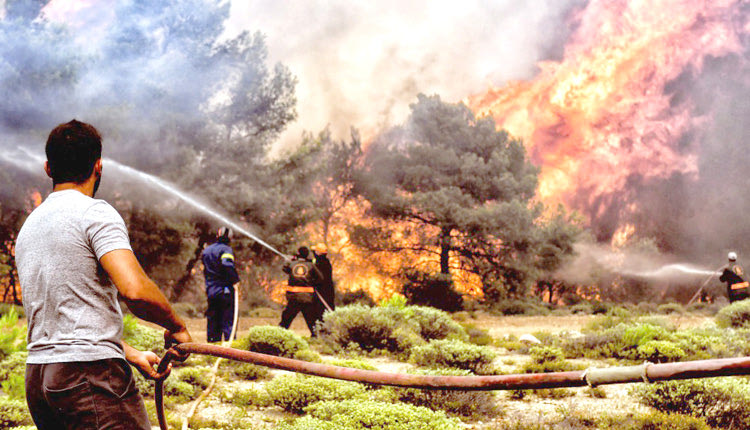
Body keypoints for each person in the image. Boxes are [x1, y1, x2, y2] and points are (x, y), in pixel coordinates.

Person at [15, 120, 192, 430]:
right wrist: (175, 325)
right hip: (88, 376)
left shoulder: (30, 227)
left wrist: (130, 353)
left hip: (40, 378)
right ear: (98, 166)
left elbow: (64, 322)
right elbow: (134, 290)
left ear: (47, 168)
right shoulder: (94, 212)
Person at [201, 226, 240, 342]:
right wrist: (235, 281)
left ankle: (213, 348)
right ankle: (231, 351)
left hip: (211, 291)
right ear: (230, 238)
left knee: (213, 321)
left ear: (217, 236)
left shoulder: (207, 250)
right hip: (225, 291)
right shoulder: (226, 250)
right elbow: (227, 264)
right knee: (228, 321)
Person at [279, 246, 322, 336]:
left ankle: (279, 335)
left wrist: (289, 260)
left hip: (293, 298)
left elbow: (285, 269)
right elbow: (320, 278)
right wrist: (311, 282)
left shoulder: (292, 264)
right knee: (311, 319)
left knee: (286, 318)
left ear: (298, 254)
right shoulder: (311, 265)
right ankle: (315, 336)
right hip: (307, 298)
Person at [312, 243, 335, 313]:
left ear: (318, 253)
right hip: (328, 290)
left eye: (314, 252)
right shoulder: (326, 262)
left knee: (321, 311)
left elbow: (318, 278)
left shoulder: (320, 263)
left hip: (322, 291)